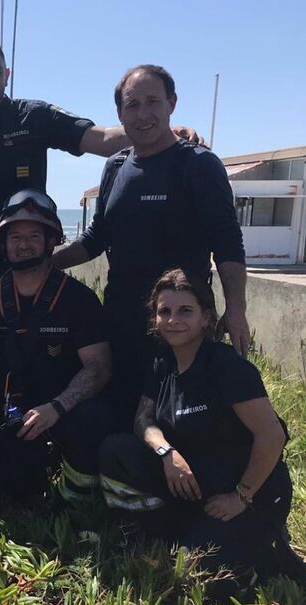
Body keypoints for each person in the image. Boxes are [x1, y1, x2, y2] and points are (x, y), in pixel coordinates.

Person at [0, 37, 198, 304]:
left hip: (32, 270)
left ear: (7, 75)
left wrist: (162, 132)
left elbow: (102, 139)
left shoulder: (34, 117)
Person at [52, 65, 247, 424]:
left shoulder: (199, 165)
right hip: (122, 320)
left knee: (177, 424)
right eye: (133, 104)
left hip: (180, 324)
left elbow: (228, 244)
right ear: (120, 114)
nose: (143, 113)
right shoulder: (115, 166)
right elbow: (96, 238)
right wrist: (44, 263)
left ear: (171, 104)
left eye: (153, 101)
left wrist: (237, 309)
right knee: (123, 415)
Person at [99, 269, 296, 595]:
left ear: (206, 318)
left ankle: (266, 552)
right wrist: (167, 453)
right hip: (196, 485)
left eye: (185, 311)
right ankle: (156, 528)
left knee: (194, 582)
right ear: (155, 318)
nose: (173, 320)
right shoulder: (164, 362)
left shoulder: (226, 367)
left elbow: (271, 435)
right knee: (116, 448)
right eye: (165, 311)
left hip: (249, 492)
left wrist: (241, 495)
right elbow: (142, 420)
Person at [0, 190, 114, 503]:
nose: (24, 245)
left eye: (35, 235)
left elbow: (99, 368)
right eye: (15, 236)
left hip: (65, 409)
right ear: (3, 243)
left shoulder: (79, 300)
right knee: (10, 496)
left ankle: (78, 501)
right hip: (13, 414)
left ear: (52, 242)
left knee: (94, 417)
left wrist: (57, 407)